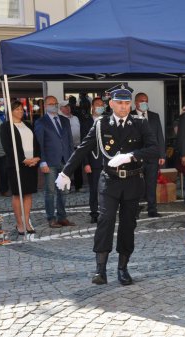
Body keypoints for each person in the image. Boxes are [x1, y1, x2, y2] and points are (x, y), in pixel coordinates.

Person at [55, 86, 158, 286]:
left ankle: (123, 268)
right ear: (111, 104)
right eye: (119, 103)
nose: (124, 107)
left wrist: (131, 155)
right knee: (106, 221)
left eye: (127, 103)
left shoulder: (139, 123)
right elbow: (83, 147)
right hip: (109, 181)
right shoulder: (101, 124)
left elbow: (155, 148)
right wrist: (65, 172)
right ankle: (100, 269)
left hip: (132, 180)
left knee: (128, 224)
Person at [0, 101, 41, 235]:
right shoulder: (5, 127)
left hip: (32, 164)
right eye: (17, 109)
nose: (20, 111)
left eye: (21, 109)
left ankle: (27, 222)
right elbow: (8, 148)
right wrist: (23, 160)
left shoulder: (28, 124)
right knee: (18, 194)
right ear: (10, 111)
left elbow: (36, 142)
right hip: (17, 165)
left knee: (28, 194)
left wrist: (36, 157)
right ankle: (19, 224)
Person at [34, 95, 75, 228]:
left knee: (63, 191)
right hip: (49, 162)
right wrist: (42, 162)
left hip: (65, 161)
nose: (54, 105)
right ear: (45, 106)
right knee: (50, 191)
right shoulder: (41, 122)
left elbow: (69, 142)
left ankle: (62, 217)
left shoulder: (65, 120)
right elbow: (39, 143)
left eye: (55, 103)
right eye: (51, 103)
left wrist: (71, 160)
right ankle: (51, 218)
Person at [131, 92, 165, 218]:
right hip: (136, 157)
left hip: (152, 157)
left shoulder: (154, 116)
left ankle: (152, 209)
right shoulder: (130, 116)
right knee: (136, 185)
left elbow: (159, 136)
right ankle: (134, 210)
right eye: (141, 101)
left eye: (146, 100)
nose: (144, 103)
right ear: (136, 103)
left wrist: (162, 155)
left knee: (151, 184)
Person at [82, 97, 105, 223]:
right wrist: (86, 163)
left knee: (107, 189)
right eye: (98, 105)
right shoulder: (86, 123)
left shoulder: (108, 120)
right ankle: (94, 213)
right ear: (92, 106)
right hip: (93, 161)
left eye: (102, 104)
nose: (100, 107)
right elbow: (83, 145)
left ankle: (106, 211)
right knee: (94, 189)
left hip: (107, 161)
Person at [59, 100, 84, 192]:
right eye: (65, 107)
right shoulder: (60, 119)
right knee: (67, 167)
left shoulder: (76, 118)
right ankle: (67, 187)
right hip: (66, 147)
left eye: (68, 106)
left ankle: (79, 186)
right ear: (60, 109)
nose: (67, 108)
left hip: (77, 146)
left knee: (77, 167)